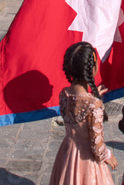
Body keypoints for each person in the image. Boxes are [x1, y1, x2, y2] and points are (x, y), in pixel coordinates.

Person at [49, 42, 117, 185]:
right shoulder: (93, 104)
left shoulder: (64, 94)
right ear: (92, 68)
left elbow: (78, 105)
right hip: (87, 161)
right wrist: (108, 155)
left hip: (68, 153)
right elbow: (97, 146)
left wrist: (93, 96)